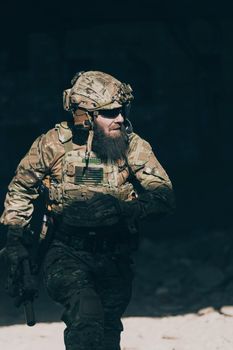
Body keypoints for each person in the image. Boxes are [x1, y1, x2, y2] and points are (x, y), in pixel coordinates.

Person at [1, 70, 175, 350]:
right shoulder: (52, 145)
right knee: (86, 315)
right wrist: (15, 241)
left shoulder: (132, 146)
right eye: (110, 112)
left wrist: (126, 208)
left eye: (121, 111)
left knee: (107, 331)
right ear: (86, 115)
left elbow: (163, 195)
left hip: (114, 255)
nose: (119, 118)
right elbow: (21, 188)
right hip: (66, 251)